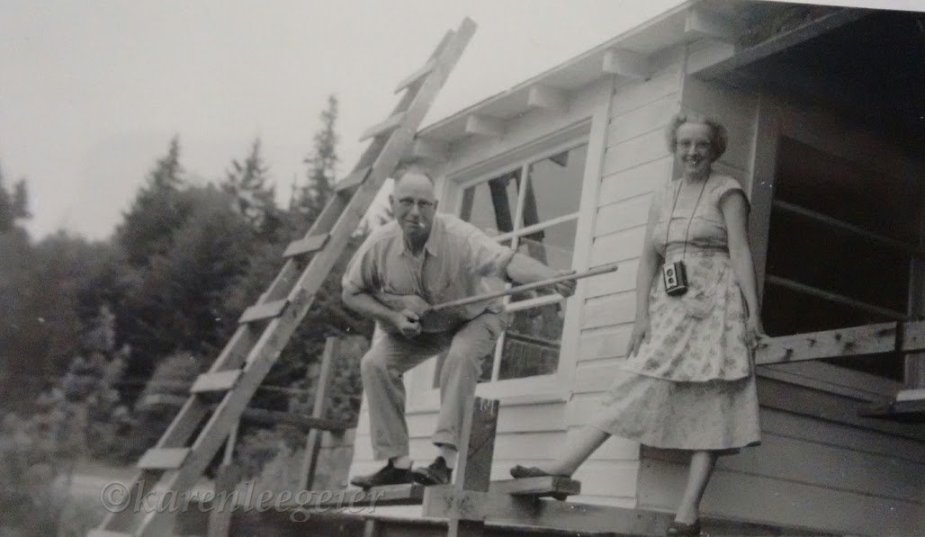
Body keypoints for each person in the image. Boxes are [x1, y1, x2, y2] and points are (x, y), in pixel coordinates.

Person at [510, 113, 764, 537]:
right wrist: (640, 316)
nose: (692, 152)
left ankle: (688, 512)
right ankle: (561, 469)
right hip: (670, 306)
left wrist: (753, 312)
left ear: (714, 148)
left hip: (716, 305)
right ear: (675, 146)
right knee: (634, 381)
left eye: (701, 144)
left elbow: (739, 250)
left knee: (715, 400)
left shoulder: (727, 191)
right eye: (685, 144)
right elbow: (649, 260)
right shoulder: (663, 196)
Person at [343, 170, 576, 489]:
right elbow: (351, 292)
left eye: (424, 204)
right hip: (428, 328)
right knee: (375, 363)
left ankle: (444, 462)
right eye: (407, 202)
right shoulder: (379, 244)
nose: (415, 212)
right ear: (392, 203)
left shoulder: (459, 236)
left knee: (461, 355)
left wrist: (551, 276)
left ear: (435, 206)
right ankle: (397, 464)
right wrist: (394, 316)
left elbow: (507, 262)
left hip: (478, 316)